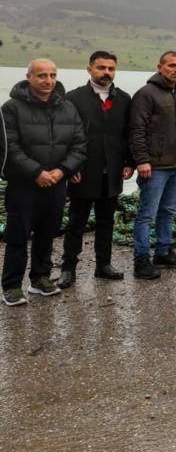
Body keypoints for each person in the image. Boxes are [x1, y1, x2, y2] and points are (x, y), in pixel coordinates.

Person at [1, 60, 86, 306]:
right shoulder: (11, 108)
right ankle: (11, 286)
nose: (48, 80)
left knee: (47, 233)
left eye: (52, 75)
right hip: (23, 185)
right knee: (18, 236)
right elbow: (9, 148)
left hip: (57, 184)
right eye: (41, 76)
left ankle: (40, 278)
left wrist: (62, 171)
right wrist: (37, 172)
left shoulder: (68, 108)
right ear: (29, 77)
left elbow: (79, 145)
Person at [56, 51, 133, 289]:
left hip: (112, 172)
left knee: (106, 221)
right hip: (83, 171)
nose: (106, 73)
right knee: (76, 223)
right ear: (89, 69)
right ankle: (68, 269)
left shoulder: (124, 99)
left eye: (110, 68)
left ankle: (103, 265)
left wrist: (129, 162)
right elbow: (64, 136)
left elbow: (127, 134)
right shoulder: (73, 98)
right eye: (101, 68)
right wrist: (70, 167)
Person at [129, 51, 176, 280]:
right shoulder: (146, 94)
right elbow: (136, 130)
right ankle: (141, 260)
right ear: (160, 67)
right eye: (171, 65)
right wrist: (142, 160)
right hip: (154, 166)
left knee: (168, 211)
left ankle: (164, 251)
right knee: (147, 214)